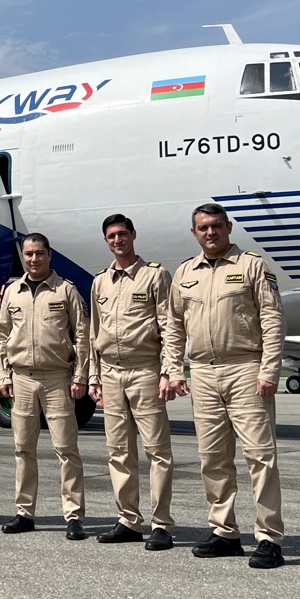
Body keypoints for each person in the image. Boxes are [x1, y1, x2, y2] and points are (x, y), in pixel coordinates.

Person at [164, 202, 287, 569]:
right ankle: (224, 532)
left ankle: (268, 537)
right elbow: (173, 326)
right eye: (203, 227)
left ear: (229, 227)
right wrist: (173, 369)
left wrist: (269, 371)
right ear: (194, 232)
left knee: (259, 456)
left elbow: (273, 319)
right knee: (213, 458)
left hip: (245, 369)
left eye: (216, 225)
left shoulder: (252, 266)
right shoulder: (185, 272)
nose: (210, 232)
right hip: (202, 372)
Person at [88, 214, 180, 550]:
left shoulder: (154, 276)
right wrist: (94, 377)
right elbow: (93, 333)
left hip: (144, 371)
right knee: (118, 452)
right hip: (110, 374)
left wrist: (169, 370)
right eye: (111, 236)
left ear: (133, 235)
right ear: (106, 241)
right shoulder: (101, 282)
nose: (117, 240)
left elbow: (169, 326)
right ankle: (128, 519)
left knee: (158, 451)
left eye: (122, 234)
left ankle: (161, 524)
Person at [0, 233, 91, 540]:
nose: (33, 259)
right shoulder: (12, 292)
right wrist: (3, 374)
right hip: (22, 379)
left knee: (66, 449)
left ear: (49, 255)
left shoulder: (65, 291)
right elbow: (1, 335)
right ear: (23, 256)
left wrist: (80, 376)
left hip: (57, 379)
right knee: (23, 449)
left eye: (39, 253)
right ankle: (25, 513)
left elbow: (82, 335)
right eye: (28, 254)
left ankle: (73, 516)